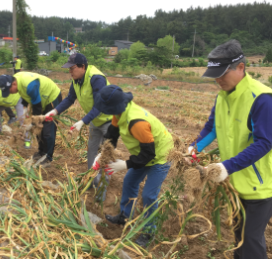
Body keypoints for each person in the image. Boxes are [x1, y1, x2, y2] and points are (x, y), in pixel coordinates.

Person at [188, 40, 272, 259]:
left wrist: (227, 166)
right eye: (215, 74)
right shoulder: (222, 97)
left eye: (222, 74)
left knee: (251, 241)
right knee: (239, 237)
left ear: (241, 68)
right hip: (234, 183)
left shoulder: (262, 99)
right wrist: (193, 149)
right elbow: (212, 128)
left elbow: (265, 142)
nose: (218, 79)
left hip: (259, 185)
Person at [92, 85, 173, 247]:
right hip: (144, 154)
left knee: (149, 195)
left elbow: (149, 154)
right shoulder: (120, 113)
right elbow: (111, 137)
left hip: (160, 156)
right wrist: (101, 155)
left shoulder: (136, 122)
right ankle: (124, 216)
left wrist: (125, 164)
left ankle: (149, 231)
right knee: (130, 182)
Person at [45, 53, 112, 198]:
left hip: (110, 121)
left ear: (82, 67)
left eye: (72, 68)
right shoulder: (77, 80)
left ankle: (102, 194)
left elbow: (100, 105)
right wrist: (54, 111)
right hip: (96, 120)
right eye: (68, 68)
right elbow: (70, 99)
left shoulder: (96, 79)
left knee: (104, 157)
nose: (70, 71)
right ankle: (92, 181)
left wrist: (82, 121)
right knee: (92, 153)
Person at [0, 73, 62, 166]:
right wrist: (25, 110)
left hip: (52, 98)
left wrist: (32, 123)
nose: (10, 93)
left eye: (9, 90)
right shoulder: (16, 80)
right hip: (41, 100)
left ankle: (48, 157)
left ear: (13, 84)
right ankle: (41, 152)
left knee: (48, 129)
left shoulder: (30, 85)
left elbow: (37, 107)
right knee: (38, 129)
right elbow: (24, 95)